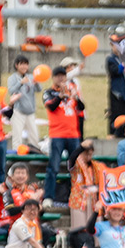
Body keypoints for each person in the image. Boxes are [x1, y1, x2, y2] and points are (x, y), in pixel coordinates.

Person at [43, 67, 83, 208]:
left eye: (63, 76)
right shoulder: (49, 92)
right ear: (53, 77)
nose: (61, 78)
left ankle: (77, 195)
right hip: (57, 134)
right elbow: (51, 107)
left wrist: (76, 97)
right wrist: (60, 96)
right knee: (53, 167)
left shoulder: (72, 90)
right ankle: (48, 197)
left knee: (76, 167)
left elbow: (81, 108)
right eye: (58, 76)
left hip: (73, 134)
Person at [7, 55, 40, 151]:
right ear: (16, 65)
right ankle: (16, 155)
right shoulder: (12, 78)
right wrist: (21, 83)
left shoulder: (31, 76)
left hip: (30, 112)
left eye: (26, 64)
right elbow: (11, 91)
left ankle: (35, 153)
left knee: (34, 137)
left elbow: (39, 89)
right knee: (17, 137)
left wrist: (37, 83)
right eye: (22, 64)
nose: (24, 67)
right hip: (18, 111)